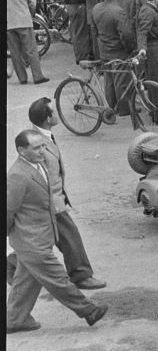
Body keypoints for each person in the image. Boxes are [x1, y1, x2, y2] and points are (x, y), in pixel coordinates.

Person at [7, 130, 109, 334]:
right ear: (21, 151)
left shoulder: (38, 164)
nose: (42, 151)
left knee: (25, 281)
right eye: (36, 148)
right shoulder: (17, 175)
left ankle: (14, 320)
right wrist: (16, 237)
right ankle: (89, 311)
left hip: (40, 237)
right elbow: (8, 210)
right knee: (58, 279)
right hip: (31, 241)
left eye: (43, 146)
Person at [6, 99, 106, 292]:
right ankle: (81, 275)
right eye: (54, 112)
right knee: (68, 236)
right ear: (48, 118)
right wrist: (50, 201)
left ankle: (13, 263)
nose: (59, 114)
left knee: (45, 242)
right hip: (49, 201)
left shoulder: (43, 135)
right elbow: (38, 174)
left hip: (54, 199)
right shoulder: (37, 143)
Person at [6, 0, 49, 85]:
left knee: (15, 52)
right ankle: (37, 76)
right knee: (31, 50)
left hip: (9, 23)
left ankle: (22, 78)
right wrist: (30, 14)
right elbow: (33, 3)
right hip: (24, 20)